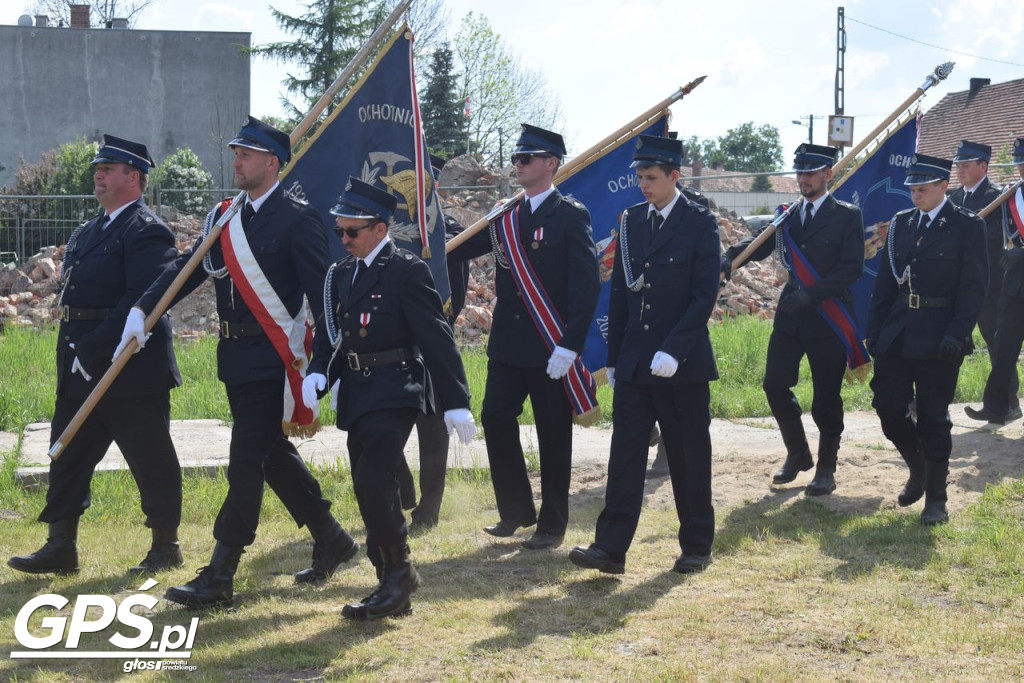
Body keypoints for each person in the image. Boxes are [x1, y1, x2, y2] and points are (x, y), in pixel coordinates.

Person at [117, 116, 358, 606]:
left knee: (245, 460)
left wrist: (323, 363)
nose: (237, 161)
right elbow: (188, 269)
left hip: (272, 359)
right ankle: (331, 537)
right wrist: (144, 308)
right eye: (236, 152)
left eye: (246, 154)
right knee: (271, 455)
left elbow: (324, 294)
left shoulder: (299, 219)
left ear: (272, 162)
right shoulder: (225, 216)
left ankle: (221, 573)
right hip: (234, 359)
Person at [8, 135, 184, 577]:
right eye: (97, 169)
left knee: (149, 457)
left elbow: (141, 299)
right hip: (78, 360)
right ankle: (60, 545)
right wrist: (77, 354)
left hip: (128, 366)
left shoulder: (147, 230)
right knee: (67, 453)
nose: (98, 176)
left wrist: (96, 349)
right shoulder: (89, 229)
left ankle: (166, 545)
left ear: (135, 178)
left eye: (109, 169)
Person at [301, 177, 476, 621]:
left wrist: (456, 400)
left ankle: (399, 574)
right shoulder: (341, 273)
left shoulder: (406, 270)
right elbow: (332, 334)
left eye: (352, 232)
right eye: (340, 231)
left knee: (373, 480)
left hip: (396, 387)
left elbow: (436, 339)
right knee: (369, 483)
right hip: (358, 392)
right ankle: (389, 580)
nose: (344, 240)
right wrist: (320, 369)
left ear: (380, 229)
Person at [569, 135, 720, 575]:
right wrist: (614, 358)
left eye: (651, 177)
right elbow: (619, 293)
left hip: (682, 365)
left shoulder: (699, 222)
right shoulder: (632, 220)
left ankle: (696, 545)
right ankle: (610, 548)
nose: (643, 184)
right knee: (626, 456)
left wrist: (675, 348)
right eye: (639, 176)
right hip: (636, 362)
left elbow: (703, 294)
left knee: (689, 456)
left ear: (675, 176)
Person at [448, 124, 601, 550]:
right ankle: (516, 509)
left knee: (553, 432)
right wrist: (425, 240)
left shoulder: (570, 214)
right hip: (509, 344)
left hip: (550, 346)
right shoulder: (505, 214)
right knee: (496, 417)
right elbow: (459, 248)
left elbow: (587, 285)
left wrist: (571, 344)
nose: (518, 164)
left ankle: (552, 523)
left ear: (551, 164)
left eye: (527, 158)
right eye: (516, 158)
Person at [721, 144, 865, 496]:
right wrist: (729, 256)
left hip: (827, 315)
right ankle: (798, 453)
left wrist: (812, 295)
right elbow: (761, 242)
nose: (803, 179)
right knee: (774, 384)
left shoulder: (847, 216)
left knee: (826, 399)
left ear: (827, 174)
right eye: (799, 173)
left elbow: (852, 268)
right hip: (790, 314)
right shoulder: (787, 214)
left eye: (810, 173)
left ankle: (826, 468)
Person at [865, 154, 987, 524]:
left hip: (940, 334)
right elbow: (885, 282)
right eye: (912, 189)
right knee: (888, 407)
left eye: (922, 189)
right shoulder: (901, 224)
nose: (915, 195)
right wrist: (874, 330)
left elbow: (974, 287)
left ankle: (937, 498)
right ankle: (920, 469)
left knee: (934, 417)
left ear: (942, 187)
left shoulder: (966, 226)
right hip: (899, 330)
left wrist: (958, 332)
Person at [954, 139, 1022, 424]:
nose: (960, 170)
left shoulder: (998, 196)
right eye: (958, 165)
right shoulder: (956, 197)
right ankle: (932, 400)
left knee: (998, 342)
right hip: (962, 283)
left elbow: (999, 239)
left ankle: (1008, 402)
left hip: (992, 282)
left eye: (966, 165)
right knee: (953, 337)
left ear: (983, 166)